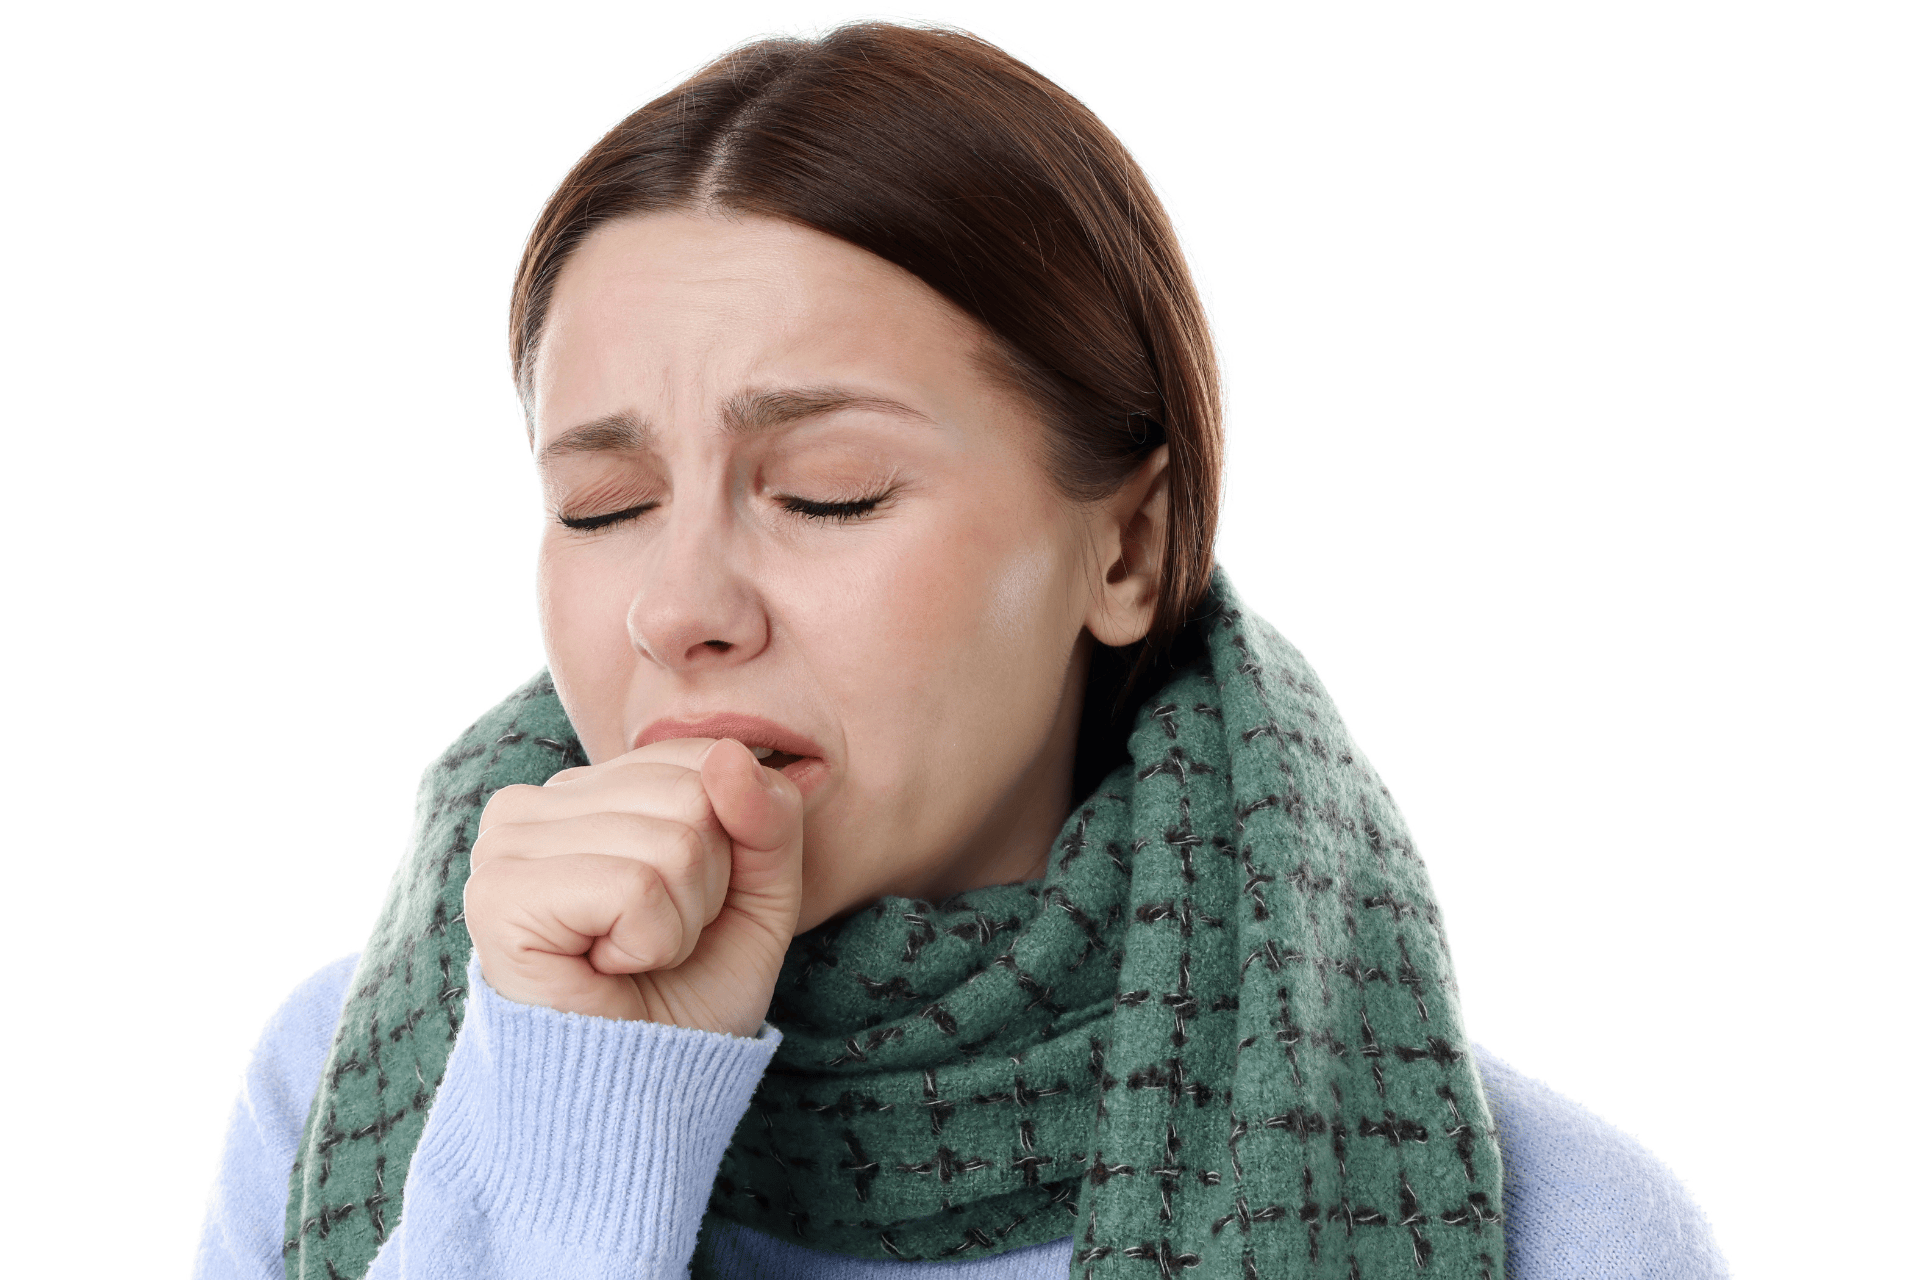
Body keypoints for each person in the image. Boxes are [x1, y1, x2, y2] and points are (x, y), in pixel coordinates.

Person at [195, 22, 1729, 1280]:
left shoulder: (1552, 1228)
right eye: (604, 507)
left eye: (827, 493)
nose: (680, 605)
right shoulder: (352, 1081)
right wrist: (576, 1112)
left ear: (1125, 548)